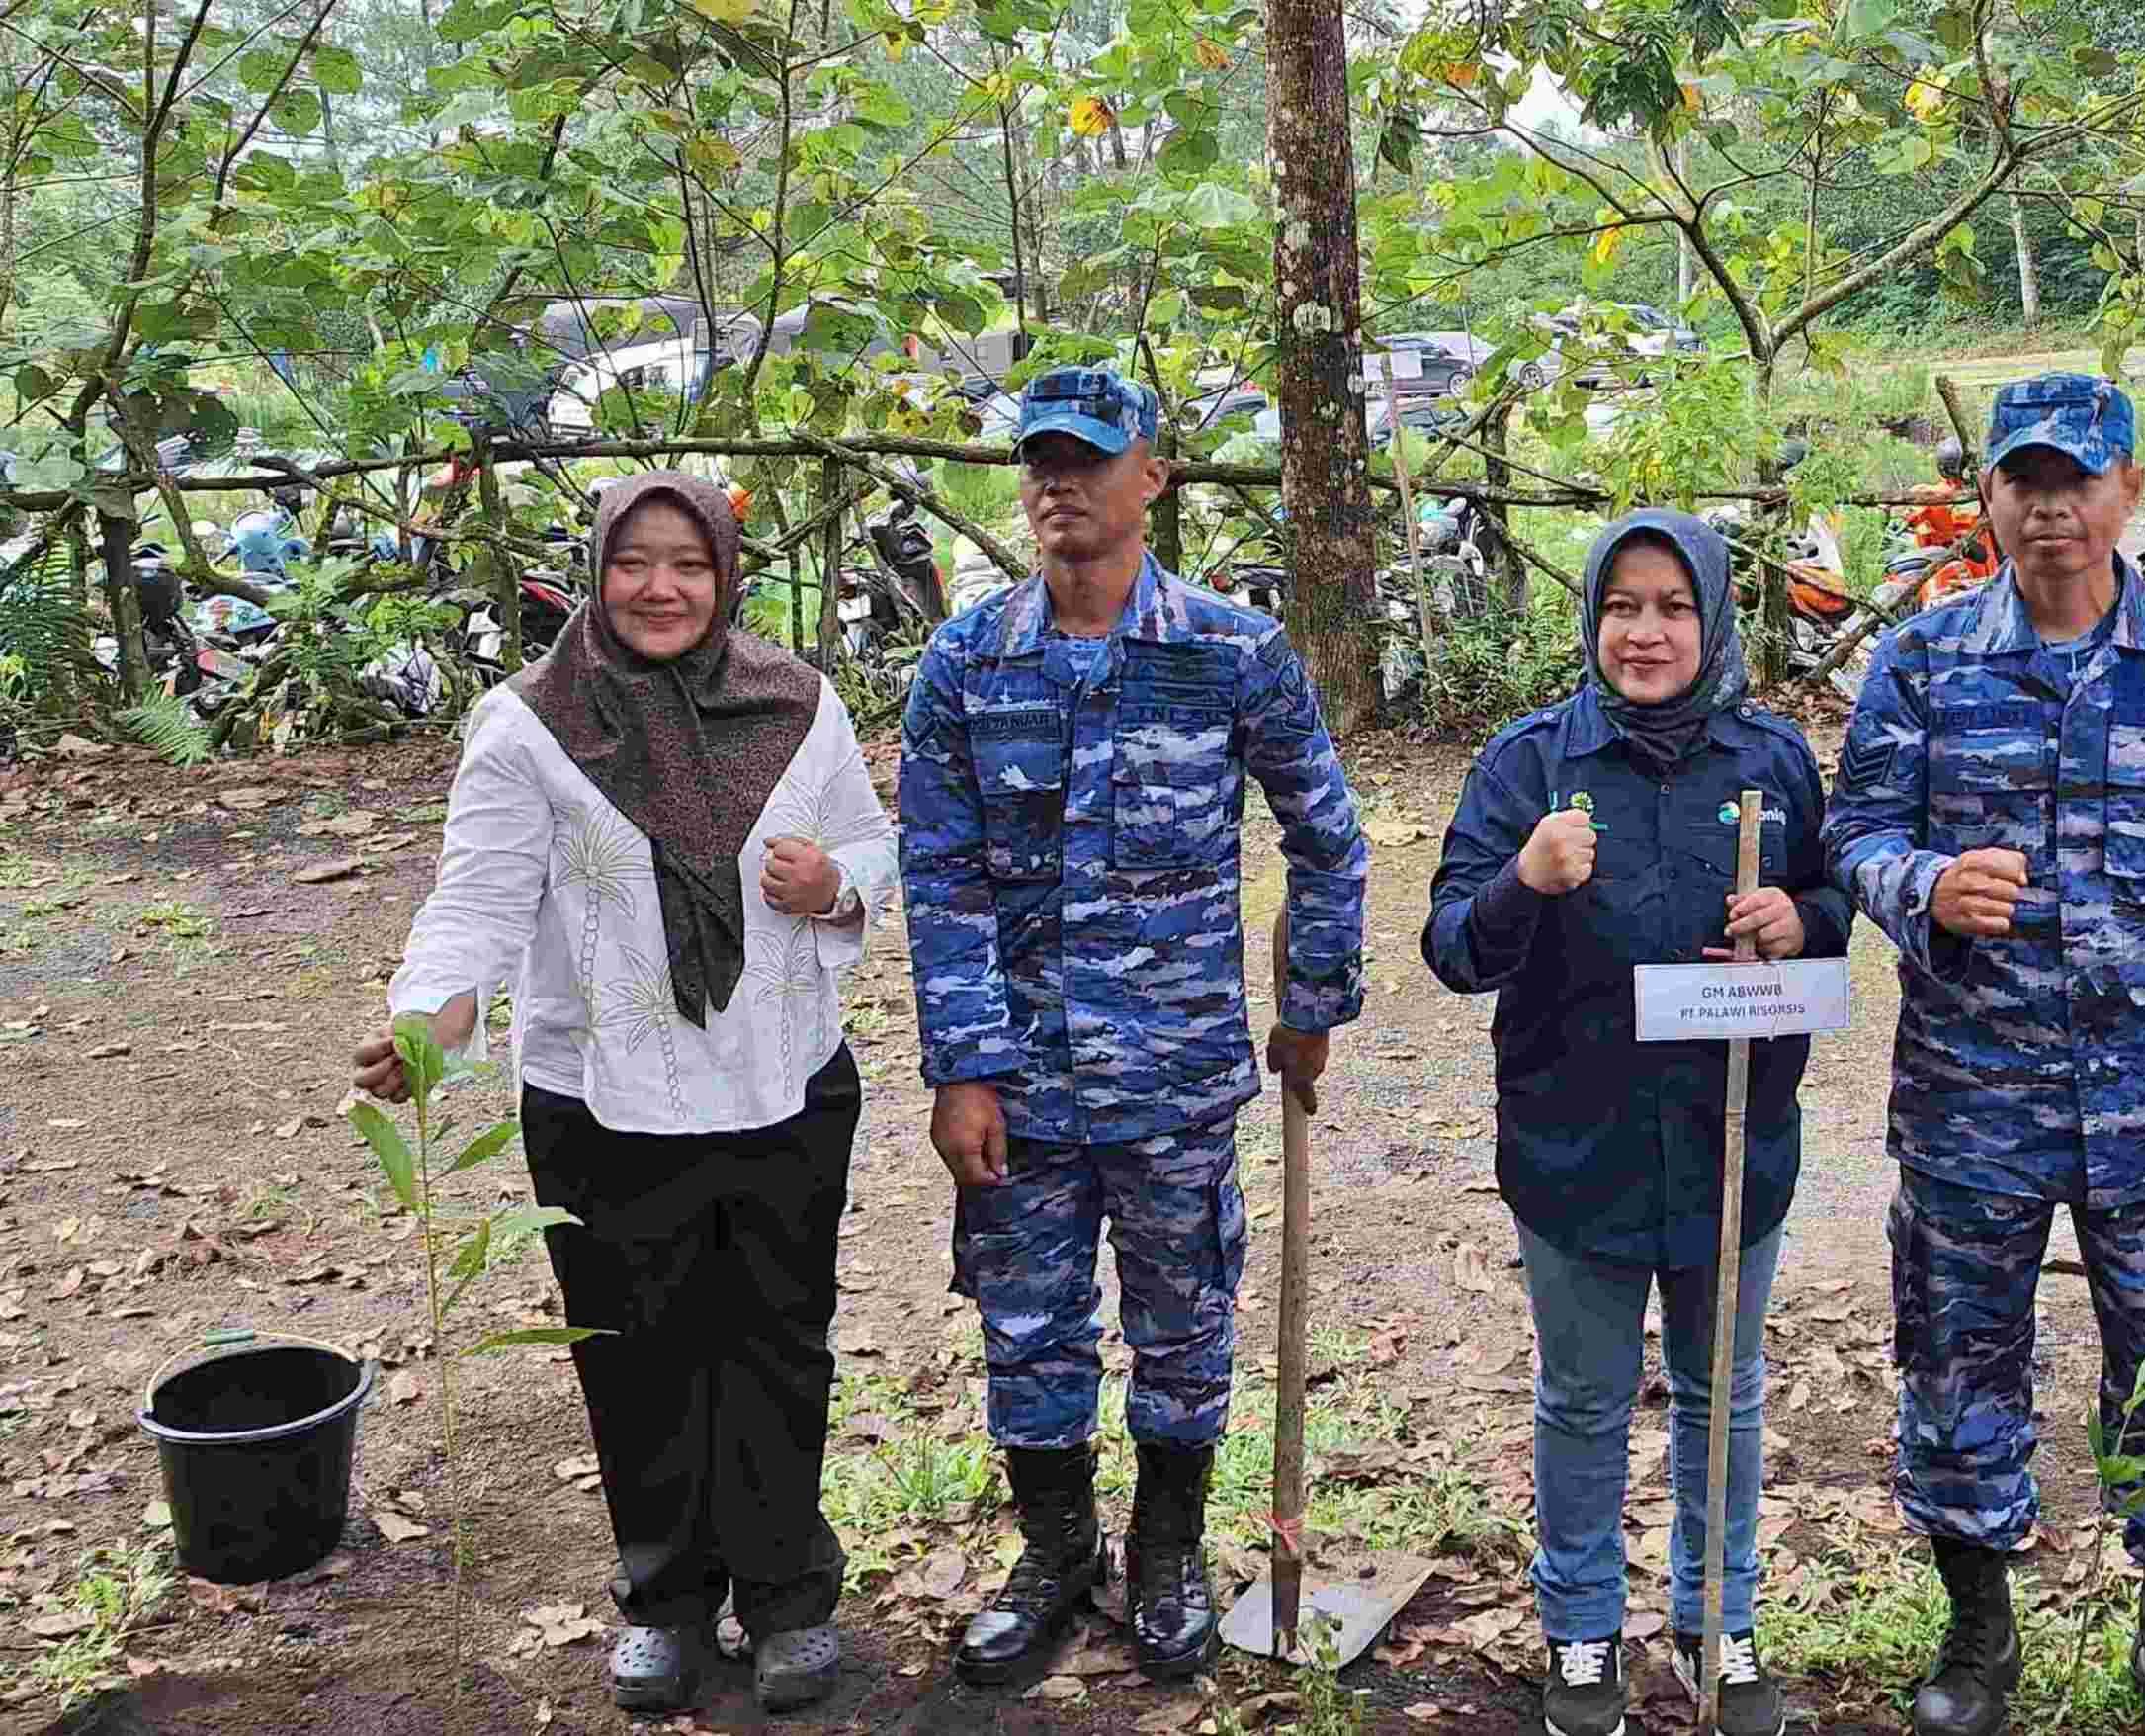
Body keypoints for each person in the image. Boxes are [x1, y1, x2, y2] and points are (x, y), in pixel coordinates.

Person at [351, 470, 895, 1715]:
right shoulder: (530, 723)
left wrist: (837, 882)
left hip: (780, 1081)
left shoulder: (800, 707)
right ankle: (664, 1596)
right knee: (638, 1358)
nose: (660, 588)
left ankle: (786, 1593)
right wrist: (425, 1025)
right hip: (600, 1097)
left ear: (724, 576)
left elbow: (874, 841)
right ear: (597, 570)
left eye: (687, 565)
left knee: (776, 1343)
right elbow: (476, 906)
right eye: (634, 562)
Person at [1826, 373, 2145, 1736]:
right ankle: (1977, 1637)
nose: (2052, 509)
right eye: (2023, 482)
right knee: (1959, 1357)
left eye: (2078, 481)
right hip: (1974, 1093)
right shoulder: (1923, 661)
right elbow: (1852, 833)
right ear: (1987, 499)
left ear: (2127, 493)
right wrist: (1922, 884)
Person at [899, 367, 1369, 1686]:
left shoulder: (1227, 651)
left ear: (1149, 479)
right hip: (1024, 1087)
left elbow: (1325, 833)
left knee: (1181, 1323)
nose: (1058, 485)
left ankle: (1164, 1551)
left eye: (1088, 461)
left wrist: (1312, 1005)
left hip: (1174, 1078)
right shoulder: (967, 660)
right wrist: (964, 1068)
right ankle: (1054, 1555)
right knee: (1029, 1328)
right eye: (1040, 462)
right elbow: (939, 875)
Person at [1423, 509, 1850, 1736]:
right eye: (1623, 606)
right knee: (1582, 1400)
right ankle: (1579, 1633)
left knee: (1724, 1394)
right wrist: (1525, 880)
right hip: (1575, 1143)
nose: (1645, 631)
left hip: (1730, 1140)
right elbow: (1451, 944)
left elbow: (1829, 895)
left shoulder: (1769, 760)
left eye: (1672, 606)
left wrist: (1798, 920)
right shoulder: (1527, 766)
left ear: (1711, 619)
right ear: (1591, 618)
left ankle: (1720, 1621)